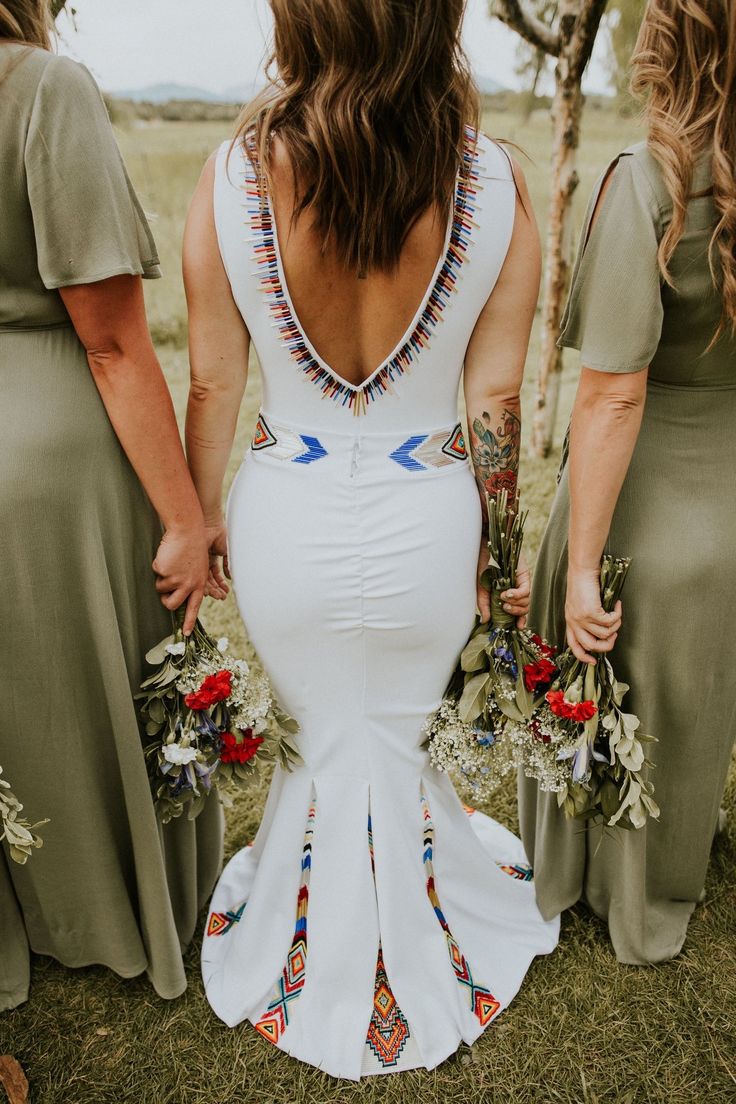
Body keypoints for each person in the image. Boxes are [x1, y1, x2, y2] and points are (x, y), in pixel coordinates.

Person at [185, 0, 559, 1080]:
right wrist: (497, 563)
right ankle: (419, 921)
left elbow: (214, 378)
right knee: (384, 737)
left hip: (286, 527)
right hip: (429, 529)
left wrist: (199, 521)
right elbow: (495, 404)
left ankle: (313, 941)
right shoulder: (496, 186)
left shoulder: (230, 178)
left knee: (329, 734)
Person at [0, 3, 223, 1012]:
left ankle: (43, 913)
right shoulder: (45, 87)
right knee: (105, 674)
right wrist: (182, 520)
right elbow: (112, 342)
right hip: (52, 455)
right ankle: (129, 907)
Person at [519, 0, 735, 964]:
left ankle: (604, 878)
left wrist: (577, 569)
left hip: (658, 492)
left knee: (620, 586)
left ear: (665, 45)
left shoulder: (648, 185)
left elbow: (610, 400)